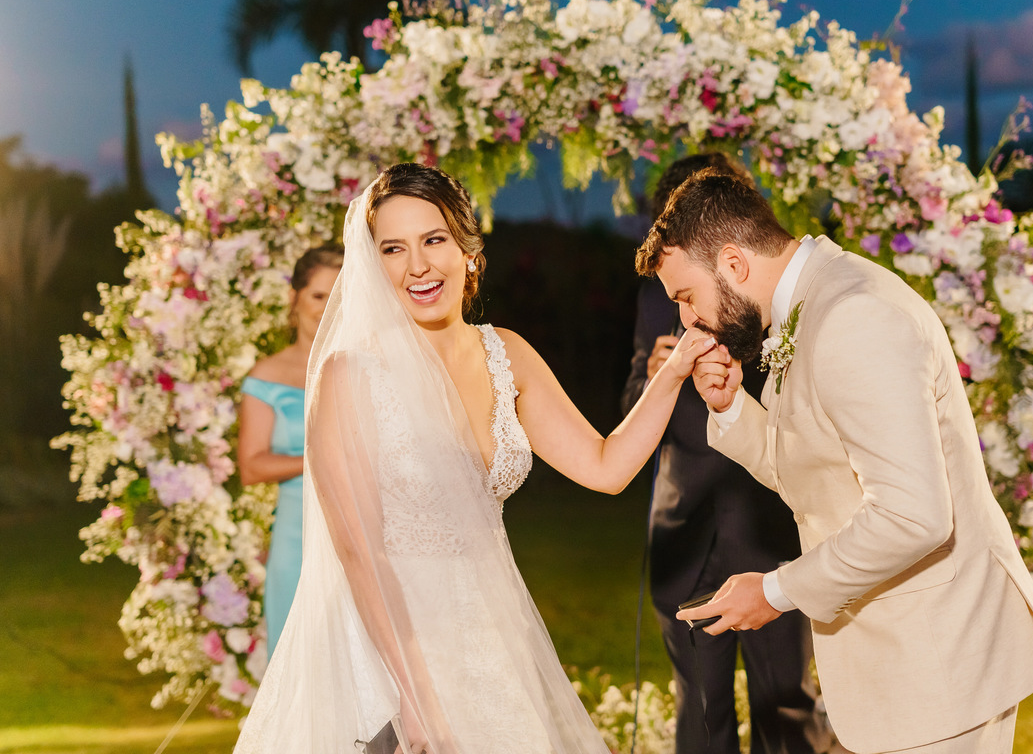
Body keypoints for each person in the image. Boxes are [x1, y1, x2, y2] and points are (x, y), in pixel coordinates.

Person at [234, 163, 716, 754]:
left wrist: (678, 366)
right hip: (382, 653)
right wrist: (415, 700)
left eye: (433, 239)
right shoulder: (348, 374)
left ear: (468, 247)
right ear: (373, 262)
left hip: (485, 637)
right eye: (393, 248)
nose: (417, 266)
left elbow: (606, 466)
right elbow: (362, 551)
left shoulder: (506, 354)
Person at [639, 170, 1033, 754]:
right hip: (909, 662)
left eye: (687, 297)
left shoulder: (853, 315)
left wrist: (775, 590)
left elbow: (913, 516)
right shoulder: (809, 305)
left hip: (940, 662)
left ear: (734, 263)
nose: (688, 321)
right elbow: (819, 475)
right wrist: (731, 409)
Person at [622, 153, 815, 754]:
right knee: (701, 712)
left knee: (783, 701)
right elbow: (628, 406)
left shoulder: (772, 299)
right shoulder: (658, 300)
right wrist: (655, 376)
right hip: (684, 528)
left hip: (767, 527)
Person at [237, 243, 343, 659]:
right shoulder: (267, 376)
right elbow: (251, 466)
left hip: (360, 532)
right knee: (299, 666)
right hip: (296, 540)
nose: (326, 307)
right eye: (318, 295)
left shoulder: (361, 365)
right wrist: (320, 456)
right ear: (294, 297)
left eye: (337, 297)